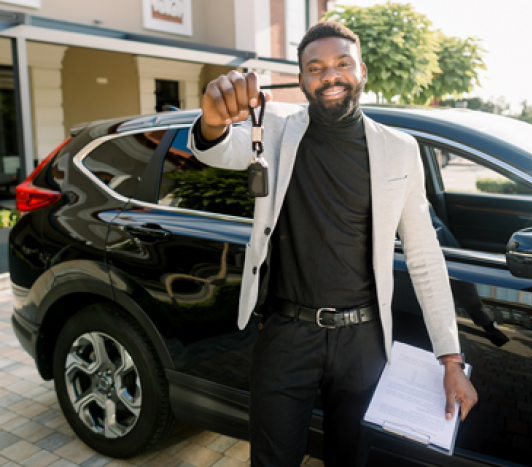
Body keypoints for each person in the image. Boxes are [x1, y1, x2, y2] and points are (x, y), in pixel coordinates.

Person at [188, 21, 478, 467]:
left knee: (351, 460)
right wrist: (211, 120)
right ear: (302, 80)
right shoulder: (278, 127)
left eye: (342, 63)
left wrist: (451, 356)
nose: (330, 75)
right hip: (286, 333)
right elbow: (218, 149)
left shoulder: (399, 149)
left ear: (362, 72)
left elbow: (423, 257)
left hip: (363, 342)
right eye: (315, 67)